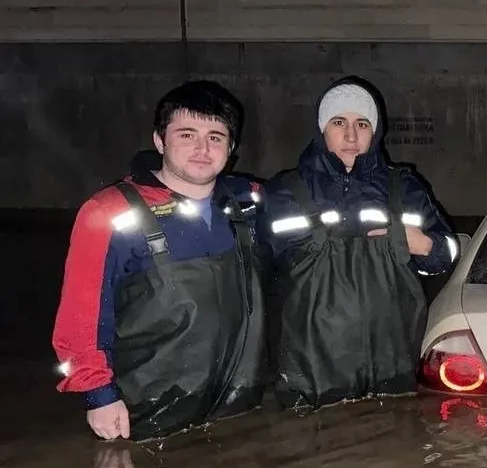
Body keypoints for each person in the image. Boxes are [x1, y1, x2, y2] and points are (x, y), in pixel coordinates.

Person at [52, 81, 267, 442]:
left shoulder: (249, 200)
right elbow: (80, 318)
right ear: (159, 140)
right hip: (149, 411)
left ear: (230, 148)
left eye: (216, 137)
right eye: (187, 134)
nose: (202, 148)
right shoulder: (109, 211)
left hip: (237, 404)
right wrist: (100, 396)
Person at [258, 75, 457, 409]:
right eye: (339, 122)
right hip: (309, 382)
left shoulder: (405, 188)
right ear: (322, 129)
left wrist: (426, 246)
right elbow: (257, 278)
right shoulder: (282, 192)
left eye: (362, 123)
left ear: (375, 131)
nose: (351, 135)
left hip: (394, 375)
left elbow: (449, 256)